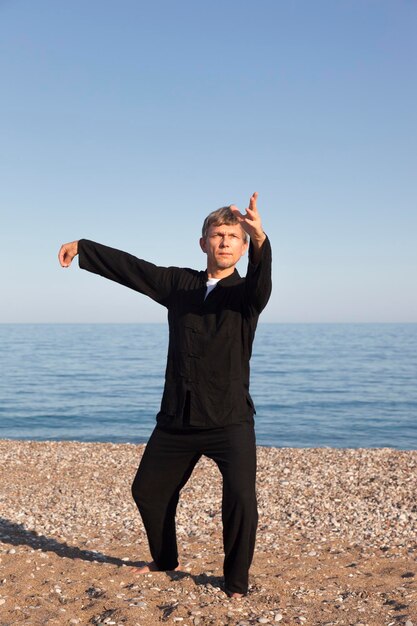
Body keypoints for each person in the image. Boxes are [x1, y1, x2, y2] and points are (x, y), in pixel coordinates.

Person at [58, 192, 272, 597]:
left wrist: (262, 240)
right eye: (217, 234)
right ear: (203, 242)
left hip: (229, 419)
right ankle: (165, 559)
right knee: (148, 491)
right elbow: (135, 270)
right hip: (177, 416)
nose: (225, 241)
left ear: (243, 247)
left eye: (233, 236)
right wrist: (84, 249)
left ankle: (236, 582)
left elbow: (263, 282)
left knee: (241, 499)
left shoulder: (246, 295)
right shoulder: (180, 284)